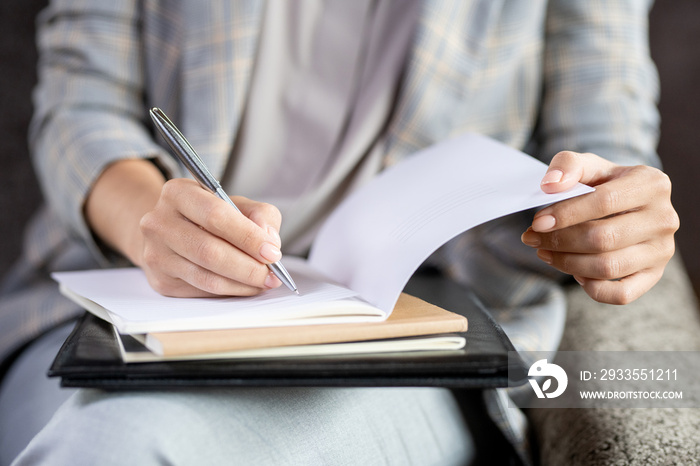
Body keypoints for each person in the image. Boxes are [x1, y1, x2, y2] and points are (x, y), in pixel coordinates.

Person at [0, 0, 679, 464]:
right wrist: (151, 221)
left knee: (121, 445)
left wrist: (614, 215)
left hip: (414, 342)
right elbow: (79, 106)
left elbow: (602, 140)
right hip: (118, 305)